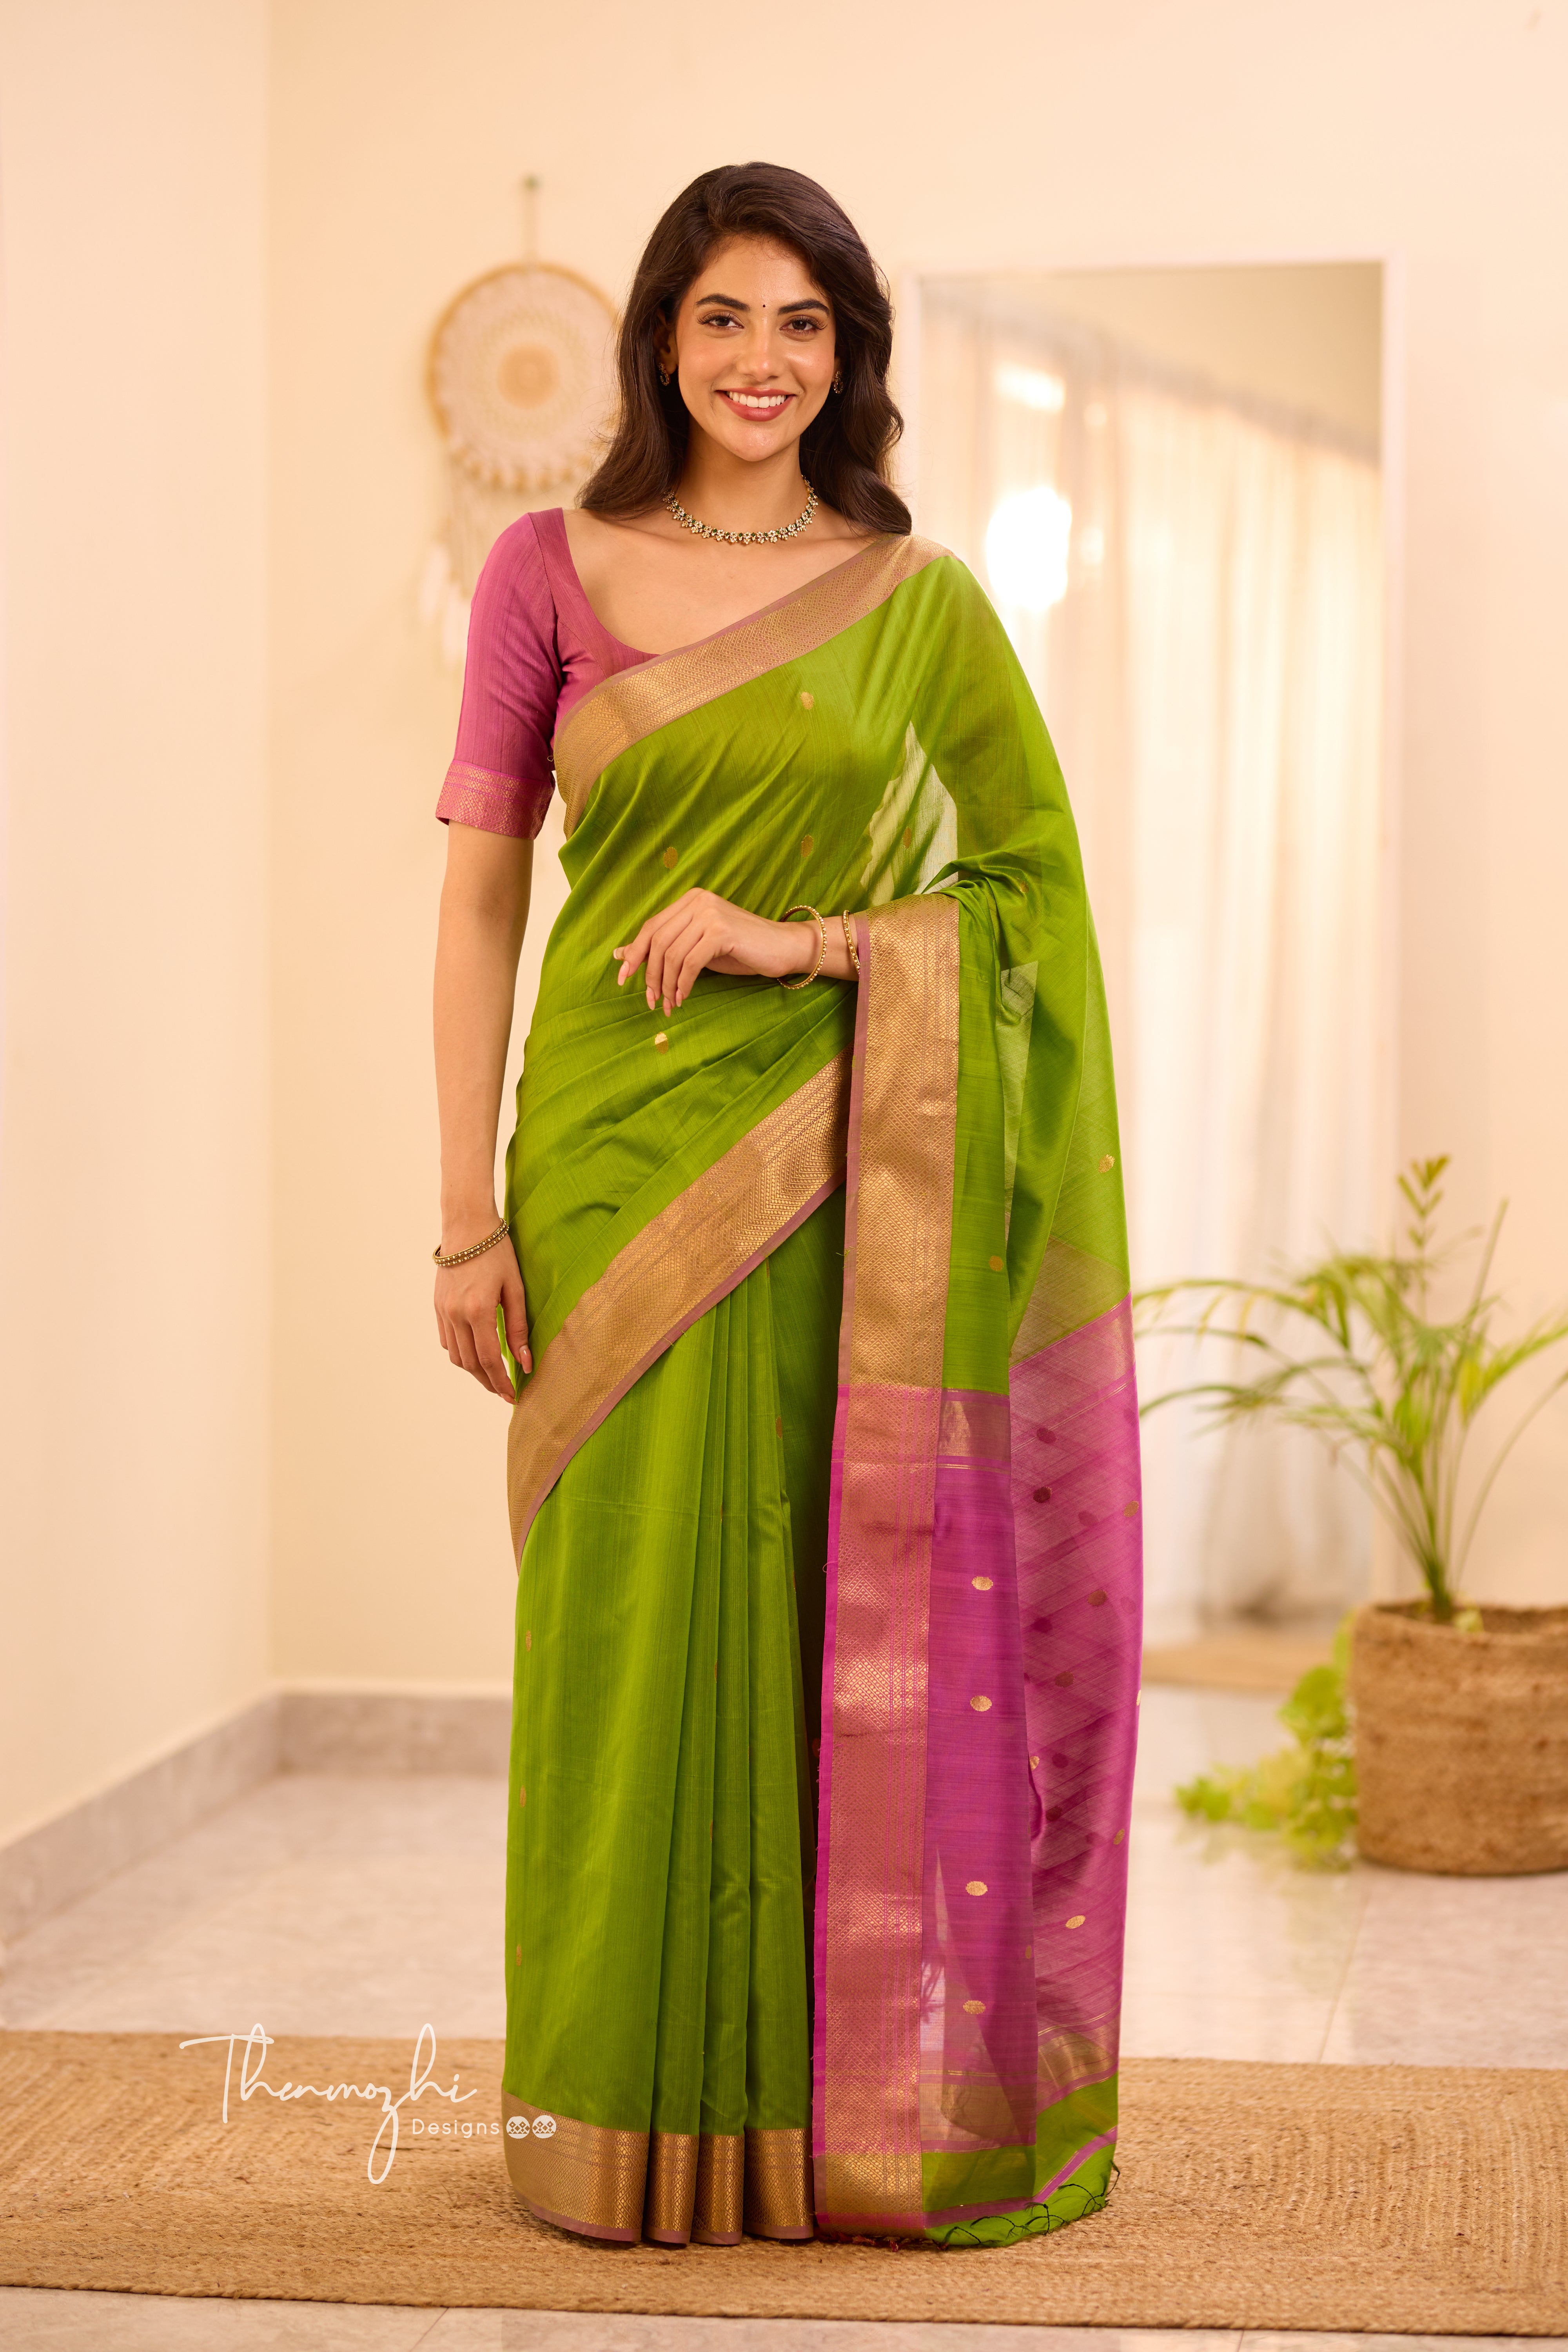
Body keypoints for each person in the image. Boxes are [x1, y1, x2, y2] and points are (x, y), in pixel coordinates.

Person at [430, 161, 1141, 2250]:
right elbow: (479, 903)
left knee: (830, 1609)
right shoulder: (543, 570)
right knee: (624, 1612)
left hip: (845, 1159)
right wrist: (462, 1215)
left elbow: (1029, 903)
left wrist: (809, 943)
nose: (763, 361)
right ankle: (617, 2112)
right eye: (726, 316)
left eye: (804, 324)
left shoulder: (915, 597)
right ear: (663, 337)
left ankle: (831, 2122)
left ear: (850, 355)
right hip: (604, 1152)